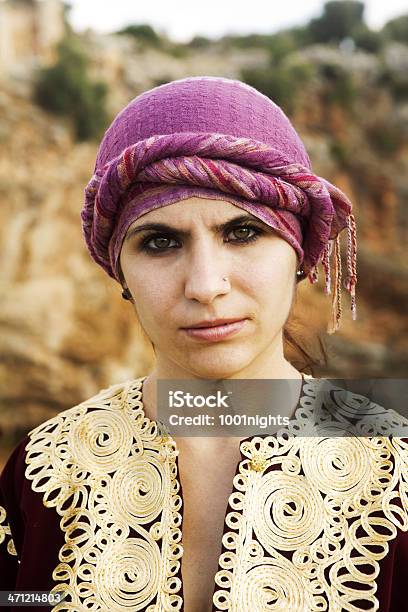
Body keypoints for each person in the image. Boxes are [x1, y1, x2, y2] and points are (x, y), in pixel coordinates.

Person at [0, 76, 406, 612]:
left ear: (300, 254)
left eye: (243, 232)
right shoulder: (44, 470)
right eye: (160, 241)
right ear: (119, 269)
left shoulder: (394, 468)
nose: (205, 286)